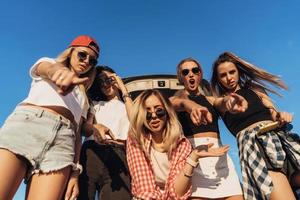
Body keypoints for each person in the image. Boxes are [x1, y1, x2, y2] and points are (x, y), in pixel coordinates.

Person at [0, 35, 99, 200]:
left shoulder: (84, 99)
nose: (86, 61)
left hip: (63, 144)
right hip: (28, 126)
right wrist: (58, 73)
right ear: (70, 52)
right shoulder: (50, 63)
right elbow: (45, 69)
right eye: (82, 55)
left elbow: (77, 136)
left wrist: (75, 172)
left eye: (92, 60)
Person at [211, 51, 300, 200]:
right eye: (223, 75)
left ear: (238, 71)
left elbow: (272, 112)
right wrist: (229, 102)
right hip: (255, 148)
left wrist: (280, 116)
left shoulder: (254, 88)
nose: (229, 78)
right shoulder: (219, 102)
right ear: (218, 79)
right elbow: (221, 104)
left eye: (232, 72)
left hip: (280, 141)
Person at [126, 89, 230, 200]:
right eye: (147, 113)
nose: (154, 116)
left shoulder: (182, 144)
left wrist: (193, 157)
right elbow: (145, 190)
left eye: (159, 111)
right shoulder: (135, 140)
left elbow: (177, 193)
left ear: (167, 112)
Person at [170, 57, 245, 200]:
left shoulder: (210, 100)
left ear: (200, 74)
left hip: (220, 159)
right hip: (195, 160)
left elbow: (221, 102)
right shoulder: (175, 100)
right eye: (185, 72)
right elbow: (176, 103)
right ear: (181, 78)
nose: (191, 74)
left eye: (195, 70)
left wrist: (229, 101)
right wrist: (191, 106)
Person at [78, 66, 132, 200]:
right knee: (83, 195)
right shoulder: (96, 104)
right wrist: (96, 127)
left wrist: (123, 88)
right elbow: (85, 128)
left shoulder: (129, 105)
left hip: (119, 154)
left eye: (108, 79)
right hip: (92, 152)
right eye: (100, 82)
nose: (105, 84)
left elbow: (136, 119)